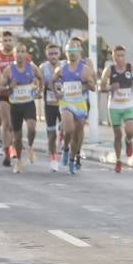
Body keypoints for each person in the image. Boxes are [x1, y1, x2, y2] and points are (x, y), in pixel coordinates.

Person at [57, 37, 98, 175]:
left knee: (79, 133)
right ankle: (66, 149)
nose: (73, 51)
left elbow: (93, 82)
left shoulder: (87, 63)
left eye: (76, 47)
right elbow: (55, 82)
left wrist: (86, 82)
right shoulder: (63, 65)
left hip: (82, 101)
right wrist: (57, 92)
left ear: (80, 49)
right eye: (70, 49)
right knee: (69, 129)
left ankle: (75, 157)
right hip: (67, 101)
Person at [100, 44, 133, 173]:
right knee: (117, 134)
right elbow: (101, 87)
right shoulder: (109, 70)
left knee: (130, 130)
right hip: (114, 106)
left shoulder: (131, 67)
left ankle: (128, 141)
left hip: (129, 104)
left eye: (122, 55)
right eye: (117, 55)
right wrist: (110, 87)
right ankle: (118, 160)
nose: (120, 58)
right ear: (113, 56)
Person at [5, 43, 41, 173]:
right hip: (15, 105)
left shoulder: (32, 68)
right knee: (17, 136)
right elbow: (1, 87)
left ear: (26, 54)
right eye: (17, 52)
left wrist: (39, 91)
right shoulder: (9, 70)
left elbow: (41, 79)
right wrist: (10, 87)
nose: (20, 54)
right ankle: (19, 160)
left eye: (22, 51)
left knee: (32, 128)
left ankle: (30, 146)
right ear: (14, 54)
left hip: (28, 103)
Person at [0, 30, 18, 166]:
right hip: (0, 94)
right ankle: (7, 153)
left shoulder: (20, 54)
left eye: (9, 40)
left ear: (14, 41)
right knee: (7, 123)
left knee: (14, 125)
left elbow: (30, 70)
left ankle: (11, 147)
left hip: (17, 94)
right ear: (0, 43)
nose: (7, 43)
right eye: (4, 41)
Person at [39, 44, 65, 172]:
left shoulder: (65, 66)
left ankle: (63, 141)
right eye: (51, 54)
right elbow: (38, 82)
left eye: (55, 53)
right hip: (49, 104)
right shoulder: (43, 68)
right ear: (46, 54)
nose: (53, 56)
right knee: (51, 134)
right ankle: (53, 158)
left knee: (67, 128)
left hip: (64, 104)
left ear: (60, 53)